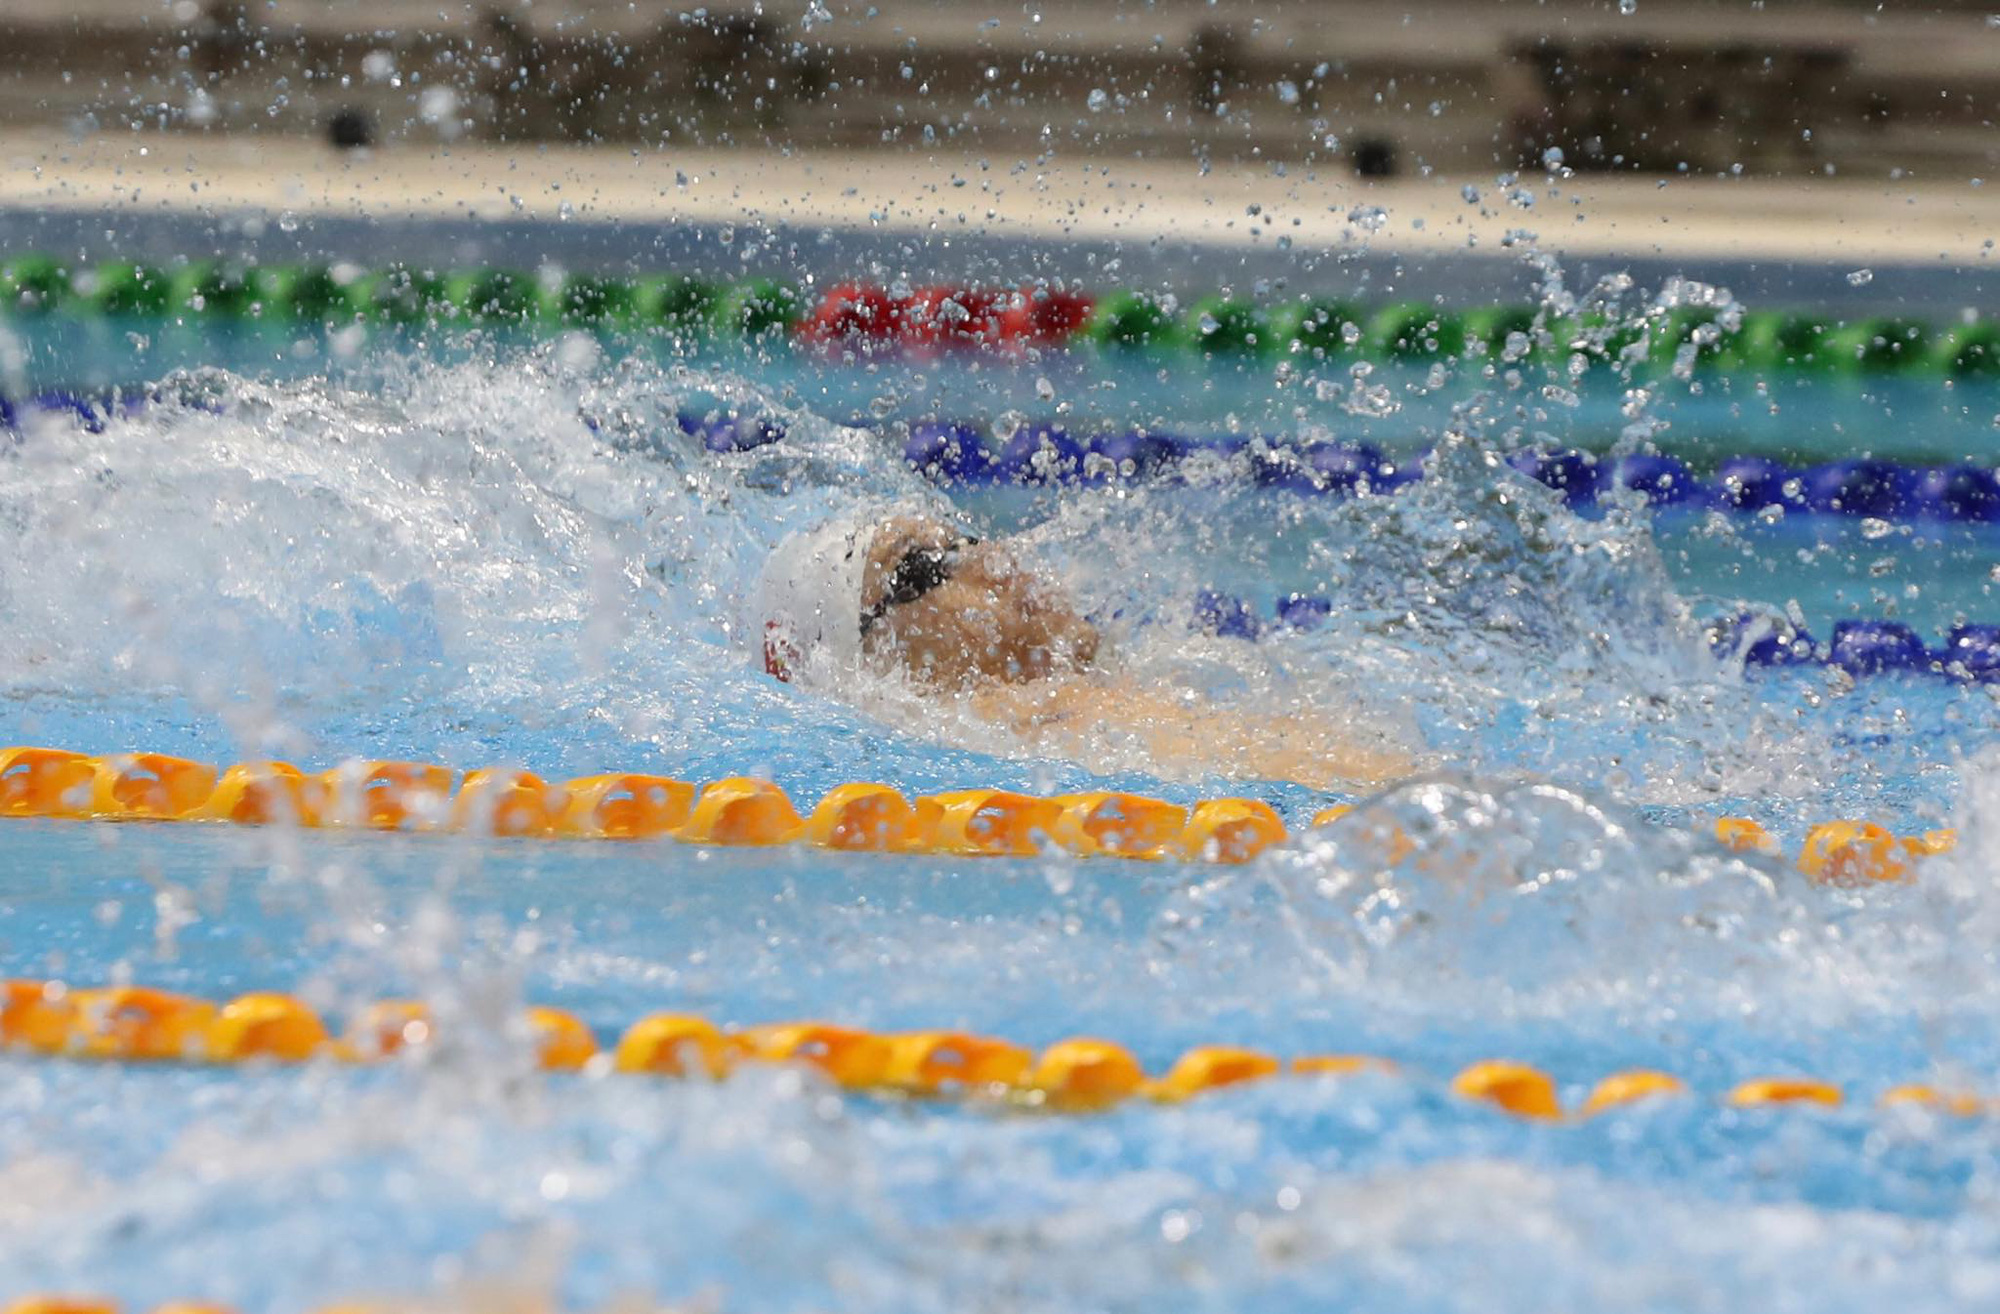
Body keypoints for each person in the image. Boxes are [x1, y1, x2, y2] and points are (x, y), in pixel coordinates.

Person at [751, 509, 1413, 790]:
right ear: (878, 663)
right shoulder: (1039, 712)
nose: (993, 560)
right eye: (926, 565)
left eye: (969, 537)